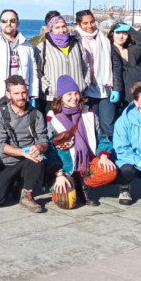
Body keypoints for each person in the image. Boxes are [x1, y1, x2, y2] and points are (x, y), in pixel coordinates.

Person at [47, 75, 116, 208]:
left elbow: (101, 138)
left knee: (108, 172)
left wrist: (103, 155)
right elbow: (50, 150)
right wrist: (58, 173)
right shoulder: (52, 119)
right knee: (67, 202)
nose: (74, 97)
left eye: (76, 93)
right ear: (61, 97)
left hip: (87, 168)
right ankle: (67, 183)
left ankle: (84, 184)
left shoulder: (88, 113)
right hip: (66, 169)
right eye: (69, 94)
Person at [0, 75, 48, 213]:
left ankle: (27, 194)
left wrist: (39, 147)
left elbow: (43, 140)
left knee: (38, 159)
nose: (21, 96)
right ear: (8, 94)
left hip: (29, 161)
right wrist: (22, 152)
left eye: (23, 92)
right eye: (16, 93)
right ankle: (13, 184)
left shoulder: (36, 114)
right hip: (6, 162)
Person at [0, 9, 38, 108]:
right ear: (0, 23)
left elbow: (33, 73)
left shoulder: (27, 46)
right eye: (4, 21)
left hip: (21, 99)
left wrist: (33, 95)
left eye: (12, 20)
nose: (8, 23)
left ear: (18, 23)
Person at [35, 11, 90, 110]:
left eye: (63, 26)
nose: (62, 30)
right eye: (57, 27)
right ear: (51, 29)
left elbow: (86, 66)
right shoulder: (42, 47)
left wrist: (84, 83)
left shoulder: (77, 45)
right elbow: (37, 71)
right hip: (53, 99)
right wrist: (47, 88)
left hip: (76, 98)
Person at [74, 10, 116, 141]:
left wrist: (116, 87)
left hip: (105, 88)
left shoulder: (104, 40)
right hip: (86, 90)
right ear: (79, 24)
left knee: (108, 125)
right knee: (91, 125)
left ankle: (110, 154)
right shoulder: (74, 41)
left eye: (92, 22)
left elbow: (114, 63)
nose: (90, 26)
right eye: (85, 23)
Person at [109, 22, 141, 106]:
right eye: (118, 33)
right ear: (112, 34)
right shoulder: (107, 50)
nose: (121, 36)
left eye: (125, 34)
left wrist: (130, 29)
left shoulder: (131, 51)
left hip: (131, 95)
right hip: (115, 93)